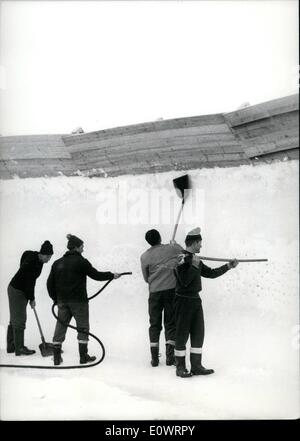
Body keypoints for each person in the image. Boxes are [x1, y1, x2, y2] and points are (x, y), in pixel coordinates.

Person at [47, 234, 121, 365]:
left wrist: (56, 299)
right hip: (79, 302)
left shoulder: (57, 263)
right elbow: (96, 275)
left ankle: (57, 357)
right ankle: (83, 357)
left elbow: (49, 284)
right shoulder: (81, 262)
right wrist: (112, 275)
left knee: (60, 326)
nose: (83, 249)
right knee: (82, 327)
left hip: (62, 302)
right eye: (82, 247)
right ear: (76, 248)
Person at [174, 227, 239, 378]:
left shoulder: (195, 259)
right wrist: (194, 265)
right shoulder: (180, 259)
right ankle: (180, 367)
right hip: (183, 301)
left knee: (198, 333)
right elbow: (183, 282)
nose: (201, 246)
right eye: (200, 243)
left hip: (195, 300)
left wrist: (229, 266)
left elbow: (210, 273)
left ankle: (196, 366)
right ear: (194, 242)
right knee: (182, 334)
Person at [140, 229, 183, 367]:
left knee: (154, 324)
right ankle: (170, 357)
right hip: (171, 291)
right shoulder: (172, 249)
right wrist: (175, 244)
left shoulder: (144, 256)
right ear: (160, 237)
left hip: (154, 293)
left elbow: (146, 278)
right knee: (170, 323)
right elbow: (183, 252)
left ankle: (154, 358)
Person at [7, 240, 54, 356]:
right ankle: (19, 348)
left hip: (16, 288)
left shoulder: (34, 256)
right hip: (18, 291)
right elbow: (30, 283)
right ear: (43, 254)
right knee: (20, 319)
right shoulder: (33, 264)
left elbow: (25, 253)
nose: (49, 260)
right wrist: (32, 299)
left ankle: (11, 345)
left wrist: (30, 297)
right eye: (48, 257)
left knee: (15, 317)